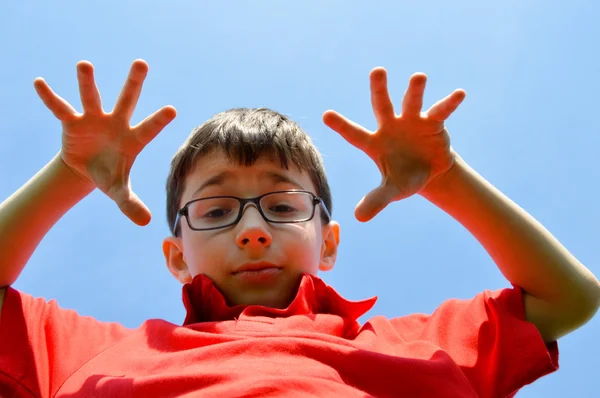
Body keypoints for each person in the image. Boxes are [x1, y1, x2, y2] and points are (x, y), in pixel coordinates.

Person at [0, 59, 598, 397]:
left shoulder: (420, 343)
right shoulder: (92, 353)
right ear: (176, 256)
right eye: (215, 211)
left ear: (328, 241)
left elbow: (568, 297)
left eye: (283, 207)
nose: (253, 230)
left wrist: (447, 178)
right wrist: (67, 174)